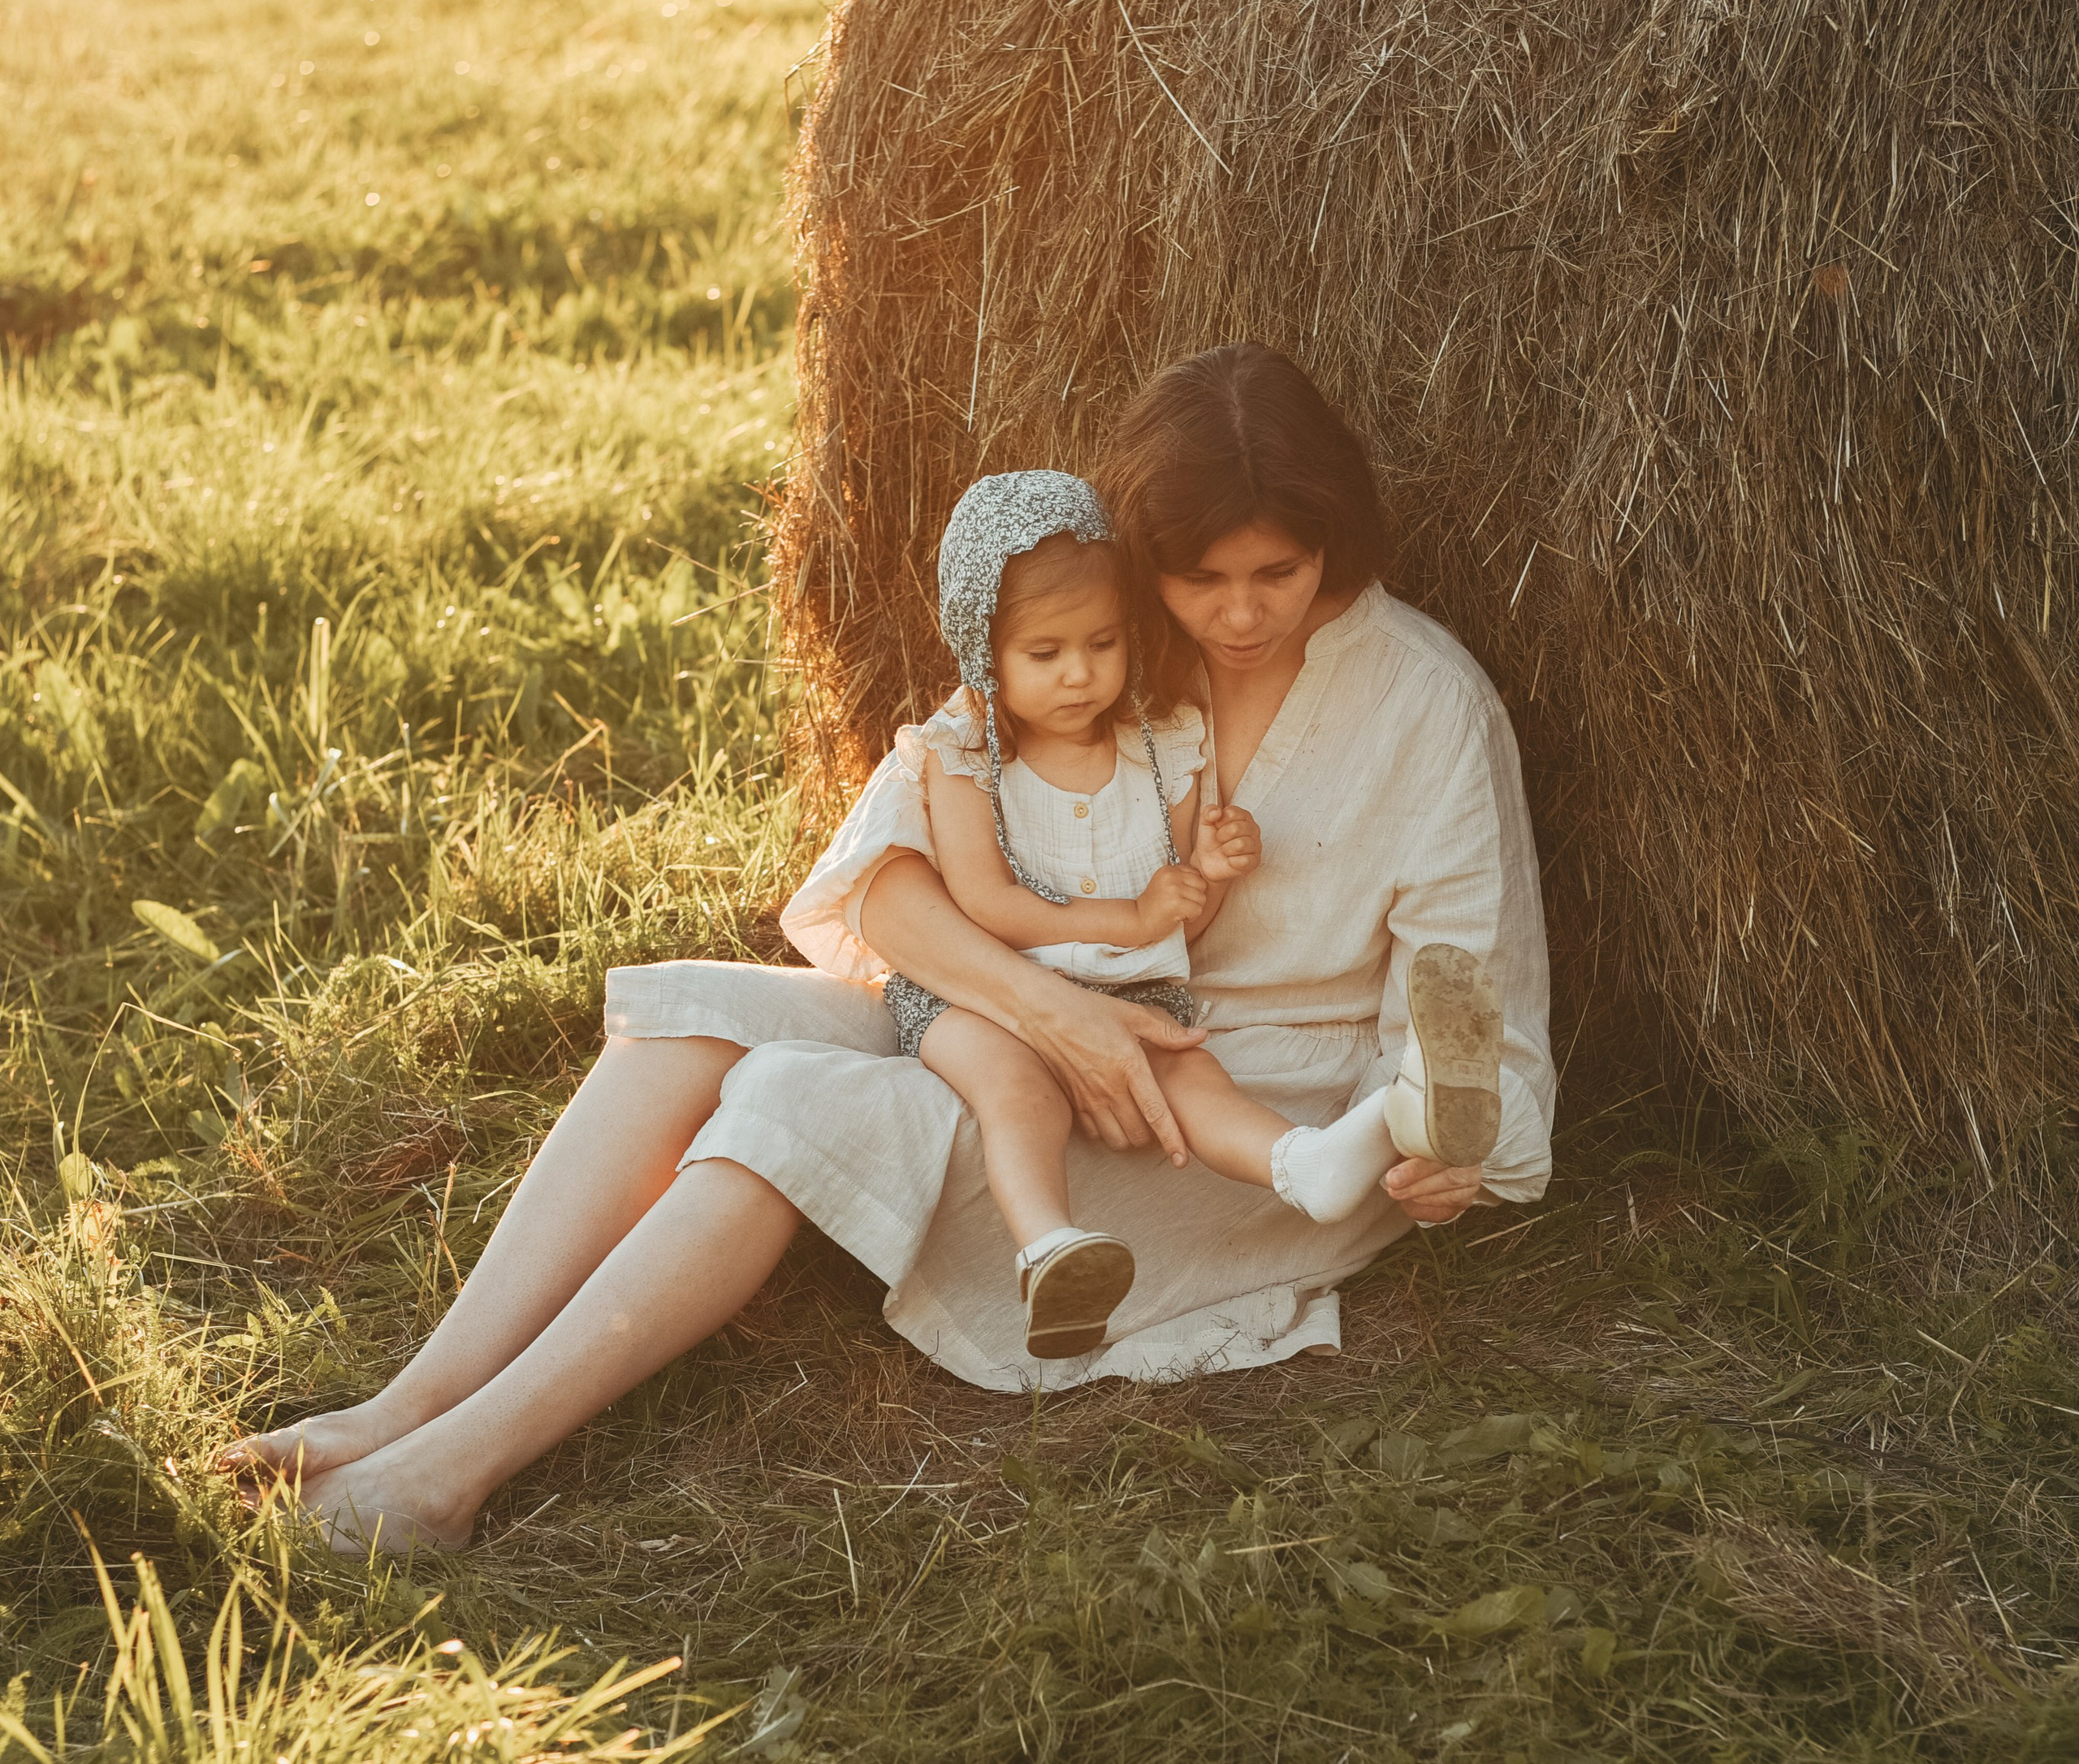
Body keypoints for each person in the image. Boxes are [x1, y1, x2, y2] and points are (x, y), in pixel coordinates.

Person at [227, 343, 1554, 1556]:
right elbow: (893, 882)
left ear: (1338, 539)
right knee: (692, 1021)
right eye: (1200, 576)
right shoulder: (1103, 640)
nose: (1240, 613)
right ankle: (404, 1404)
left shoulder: (1428, 704)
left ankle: (438, 1483)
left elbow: (1467, 1010)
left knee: (805, 1098)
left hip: (1257, 1110)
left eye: (1279, 573)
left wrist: (1437, 1152)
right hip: (1050, 1012)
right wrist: (1052, 1009)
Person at [809, 467, 1506, 1364]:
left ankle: (1315, 1163)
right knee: (1014, 1093)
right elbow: (986, 903)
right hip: (983, 1003)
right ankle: (1048, 1244)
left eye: (1101, 643)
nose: (1079, 674)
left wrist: (1208, 870)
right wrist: (1134, 917)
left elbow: (1182, 902)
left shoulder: (1162, 740)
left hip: (1134, 989)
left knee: (1198, 1082)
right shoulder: (962, 755)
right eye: (1044, 654)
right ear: (984, 652)